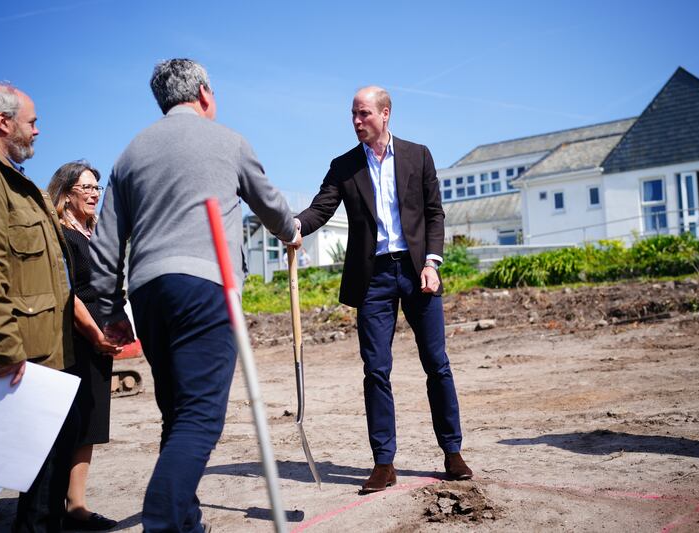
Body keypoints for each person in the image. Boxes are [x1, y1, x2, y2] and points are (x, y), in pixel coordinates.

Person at [89, 58, 299, 533]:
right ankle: (162, 523)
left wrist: (109, 311)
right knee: (201, 418)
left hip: (147, 292)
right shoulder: (228, 141)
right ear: (204, 92)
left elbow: (106, 243)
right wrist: (293, 231)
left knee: (177, 413)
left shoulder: (130, 153)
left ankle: (185, 520)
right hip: (205, 285)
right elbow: (270, 205)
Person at [296, 86, 473, 493]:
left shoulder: (418, 155)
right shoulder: (344, 166)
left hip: (417, 272)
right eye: (353, 115)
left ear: (386, 114)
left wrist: (432, 263)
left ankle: (452, 452)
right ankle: (383, 463)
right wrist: (293, 226)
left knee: (437, 364)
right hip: (372, 278)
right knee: (376, 370)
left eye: (364, 114)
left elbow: (434, 214)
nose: (357, 122)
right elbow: (321, 208)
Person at [0, 82, 79, 532]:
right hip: (11, 362)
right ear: (3, 123)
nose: (38, 131)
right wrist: (5, 346)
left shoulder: (11, 179)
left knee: (46, 481)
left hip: (39, 358)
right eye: (32, 122)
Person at [46, 161, 119, 531]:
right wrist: (94, 334)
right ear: (67, 192)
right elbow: (68, 292)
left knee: (90, 422)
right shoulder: (61, 235)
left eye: (97, 187)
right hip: (76, 335)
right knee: (69, 423)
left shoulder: (92, 233)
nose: (94, 193)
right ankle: (58, 505)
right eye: (86, 187)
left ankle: (76, 503)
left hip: (99, 336)